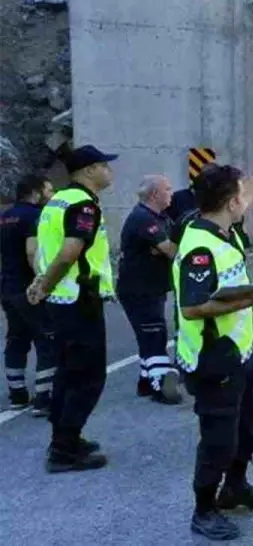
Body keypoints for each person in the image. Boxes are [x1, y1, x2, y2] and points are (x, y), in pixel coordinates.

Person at [173, 144, 253, 541]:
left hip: (240, 352)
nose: (246, 199)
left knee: (249, 425)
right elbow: (191, 308)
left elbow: (246, 193)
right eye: (241, 194)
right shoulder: (201, 247)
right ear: (229, 201)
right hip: (213, 358)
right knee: (218, 439)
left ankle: (235, 486)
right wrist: (248, 297)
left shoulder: (221, 227)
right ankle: (204, 510)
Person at [27, 145, 119, 472]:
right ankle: (64, 451)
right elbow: (67, 253)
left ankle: (65, 437)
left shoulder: (57, 200)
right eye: (105, 166)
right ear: (90, 170)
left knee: (67, 374)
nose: (109, 171)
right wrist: (46, 284)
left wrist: (41, 282)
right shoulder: (83, 206)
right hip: (80, 300)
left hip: (63, 301)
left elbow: (41, 248)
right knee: (88, 377)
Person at [117, 175, 181, 404]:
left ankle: (145, 380)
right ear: (155, 194)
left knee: (150, 333)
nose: (171, 193)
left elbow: (167, 247)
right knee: (154, 334)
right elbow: (171, 250)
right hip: (139, 289)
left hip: (151, 286)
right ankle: (160, 384)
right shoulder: (144, 218)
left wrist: (163, 249)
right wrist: (164, 249)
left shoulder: (159, 217)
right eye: (168, 189)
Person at [2, 173, 56, 414]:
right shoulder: (35, 216)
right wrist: (40, 282)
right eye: (48, 190)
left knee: (16, 339)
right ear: (36, 192)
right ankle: (43, 398)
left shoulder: (4, 217)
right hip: (27, 288)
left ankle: (17, 393)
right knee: (47, 339)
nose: (51, 195)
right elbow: (32, 252)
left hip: (8, 288)